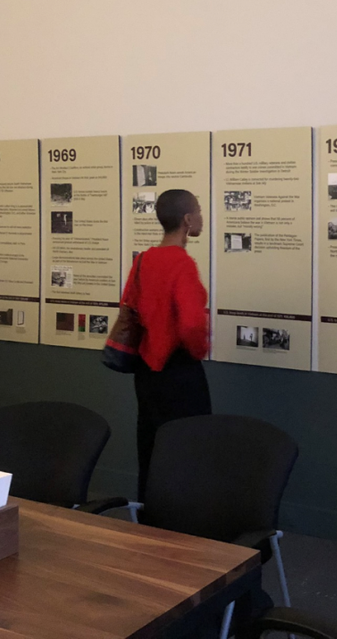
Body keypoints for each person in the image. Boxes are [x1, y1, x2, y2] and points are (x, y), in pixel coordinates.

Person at [122, 189, 211, 501]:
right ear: (187, 220)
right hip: (179, 372)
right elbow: (191, 323)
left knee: (151, 444)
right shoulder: (182, 264)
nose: (202, 217)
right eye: (198, 211)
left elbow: (128, 305)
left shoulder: (144, 260)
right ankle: (184, 519)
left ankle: (150, 515)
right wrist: (199, 350)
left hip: (146, 371)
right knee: (189, 446)